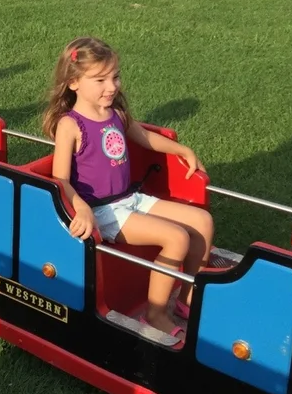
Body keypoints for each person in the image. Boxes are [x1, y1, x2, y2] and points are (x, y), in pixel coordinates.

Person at [42, 36, 214, 342]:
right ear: (73, 83)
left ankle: (187, 300)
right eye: (100, 80)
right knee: (176, 237)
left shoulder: (116, 114)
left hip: (130, 198)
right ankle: (156, 312)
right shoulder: (71, 125)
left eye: (115, 77)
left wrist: (181, 149)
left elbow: (144, 138)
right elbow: (61, 179)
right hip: (101, 210)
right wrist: (80, 207)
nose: (112, 86)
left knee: (202, 221)